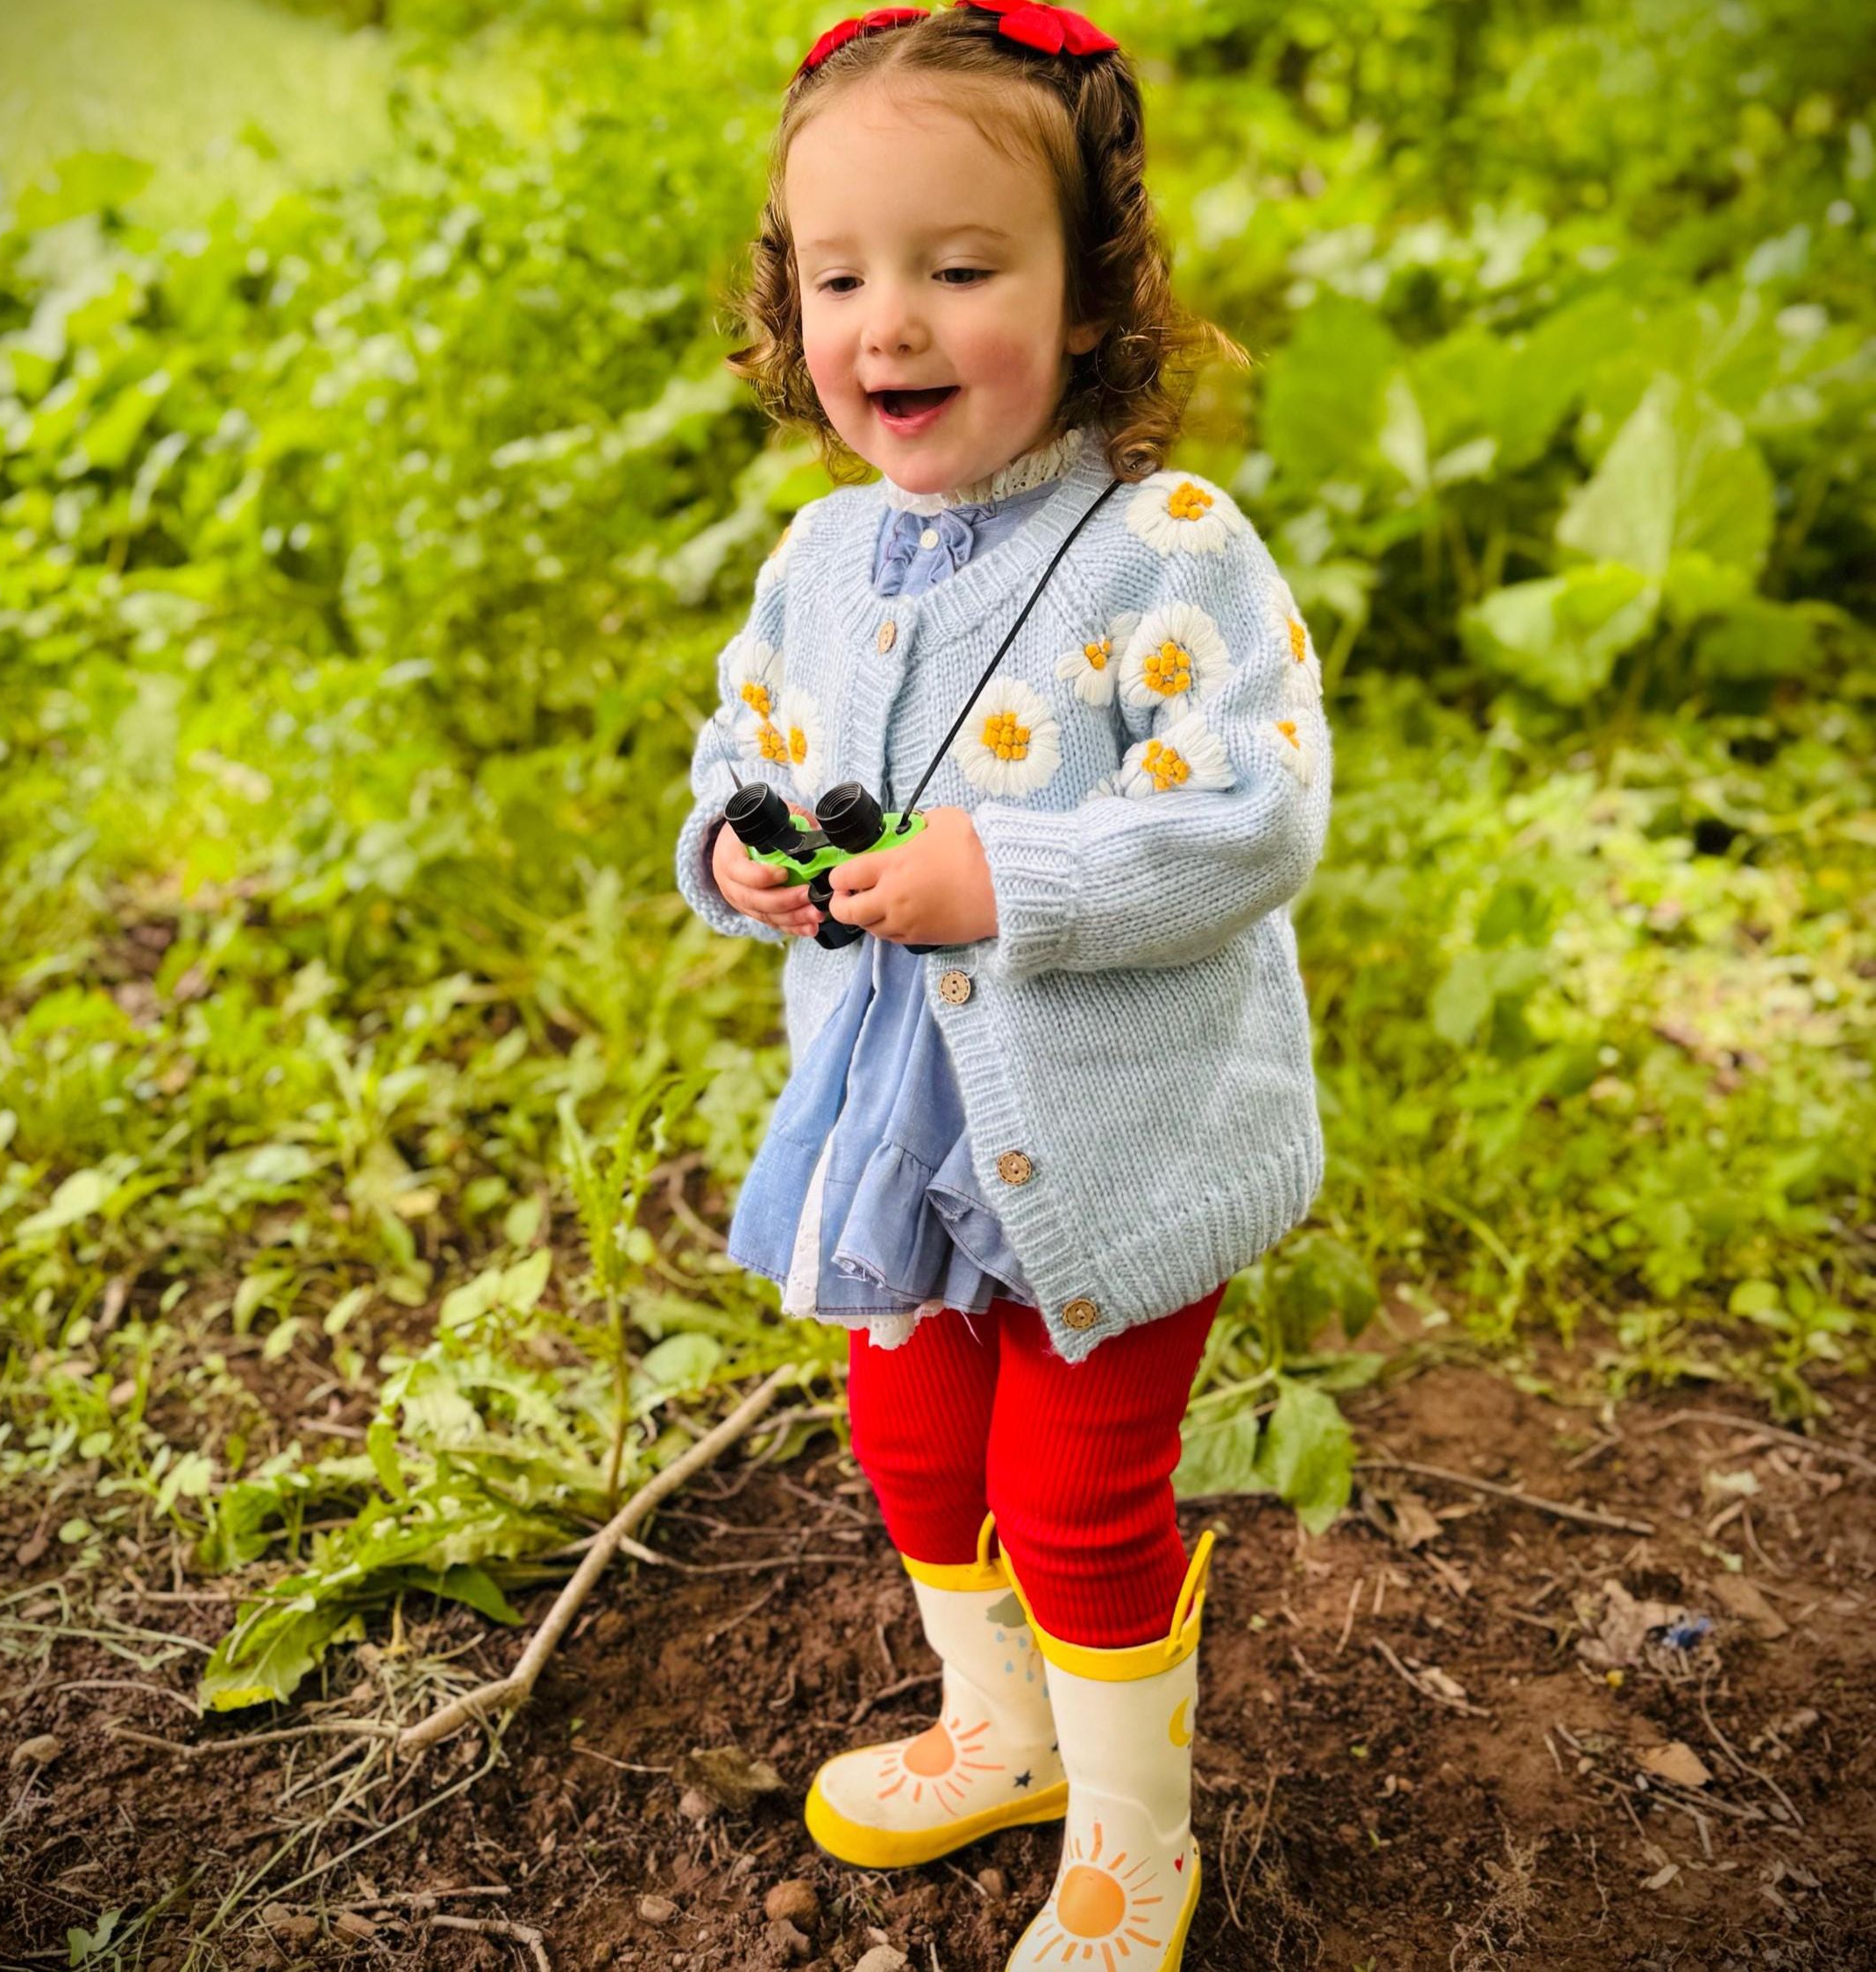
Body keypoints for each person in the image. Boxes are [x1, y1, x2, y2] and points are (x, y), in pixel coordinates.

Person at [672, 4, 1332, 1963]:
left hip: (1104, 1149)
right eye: (841, 274)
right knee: (910, 1446)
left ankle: (1137, 1835)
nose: (892, 323)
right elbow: (747, 748)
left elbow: (1253, 818)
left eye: (961, 271)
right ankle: (1000, 1725)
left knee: (1074, 1494)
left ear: (1090, 292)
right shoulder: (811, 558)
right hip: (901, 1138)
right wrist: (733, 854)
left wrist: (1006, 876)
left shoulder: (1166, 552)